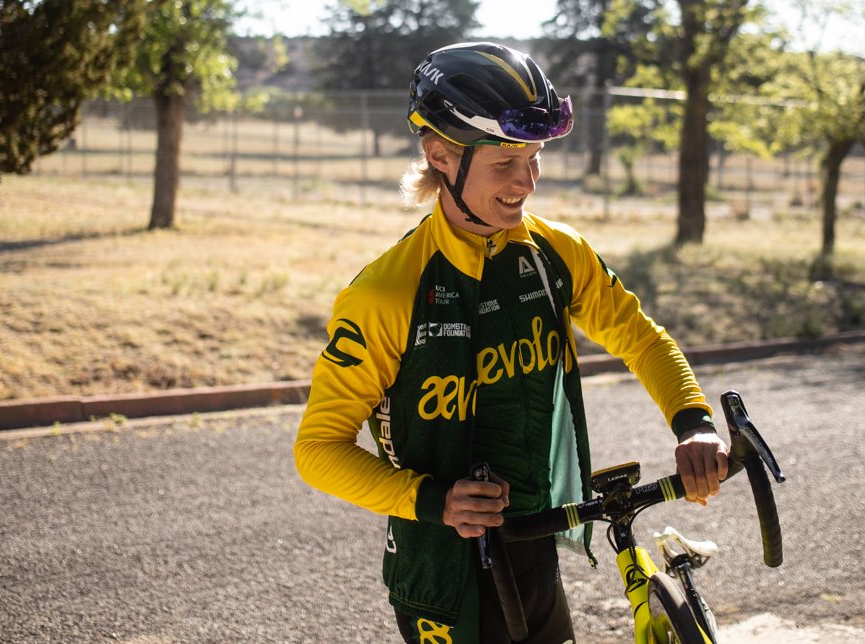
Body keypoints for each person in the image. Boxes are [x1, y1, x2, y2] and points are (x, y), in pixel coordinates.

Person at [294, 41, 728, 643]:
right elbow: (317, 449)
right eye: (504, 163)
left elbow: (641, 339)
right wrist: (431, 500)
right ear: (440, 155)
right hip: (442, 574)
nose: (526, 181)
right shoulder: (386, 294)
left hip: (533, 545)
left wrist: (693, 421)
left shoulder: (556, 253)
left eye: (535, 157)